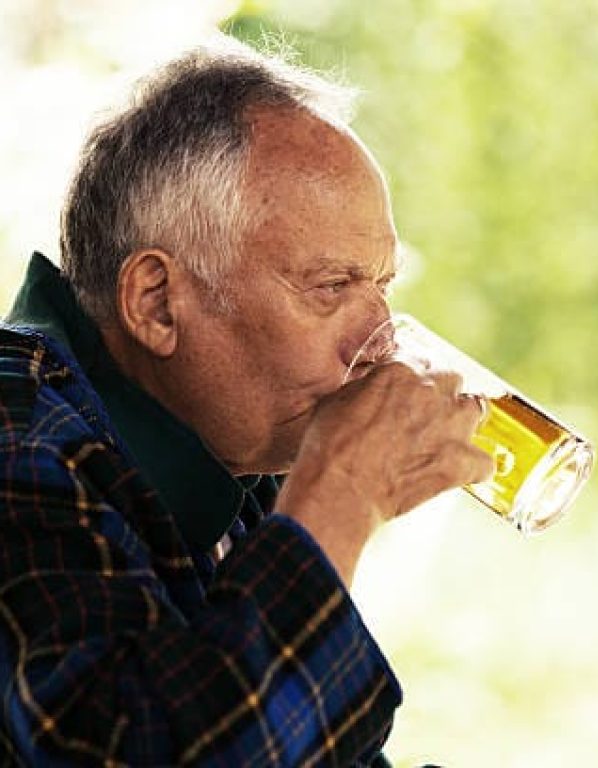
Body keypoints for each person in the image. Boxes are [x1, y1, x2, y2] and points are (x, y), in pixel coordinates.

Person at [0, 37, 491, 766]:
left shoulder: (223, 458)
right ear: (157, 303)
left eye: (381, 287)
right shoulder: (18, 430)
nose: (383, 339)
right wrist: (340, 497)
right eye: (331, 287)